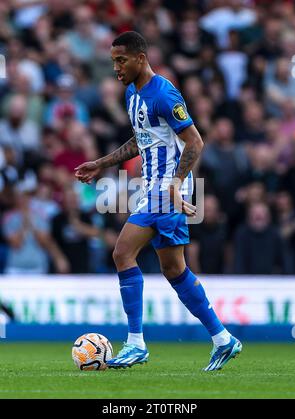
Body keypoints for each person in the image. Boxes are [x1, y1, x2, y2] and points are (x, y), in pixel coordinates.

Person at [75, 31, 242, 372]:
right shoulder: (131, 94)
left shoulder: (165, 93)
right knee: (174, 269)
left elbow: (195, 142)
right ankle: (223, 339)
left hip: (165, 191)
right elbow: (141, 141)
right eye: (113, 62)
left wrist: (176, 185)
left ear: (141, 57)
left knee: (123, 252)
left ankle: (136, 343)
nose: (116, 68)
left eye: (121, 61)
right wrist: (102, 163)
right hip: (153, 189)